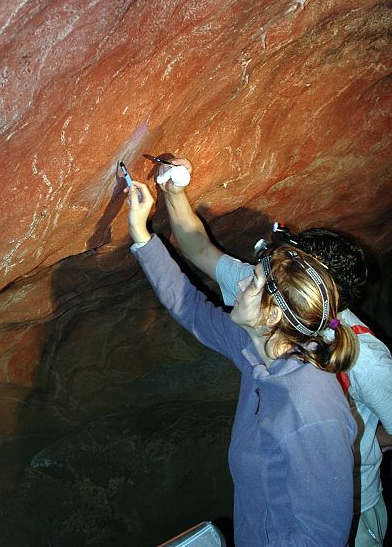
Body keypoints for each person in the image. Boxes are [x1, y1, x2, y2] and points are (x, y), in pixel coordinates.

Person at [158, 157, 392, 547]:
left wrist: (354, 444)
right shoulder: (270, 290)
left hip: (354, 516)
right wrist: (173, 190)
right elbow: (198, 248)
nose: (260, 272)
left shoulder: (366, 358)